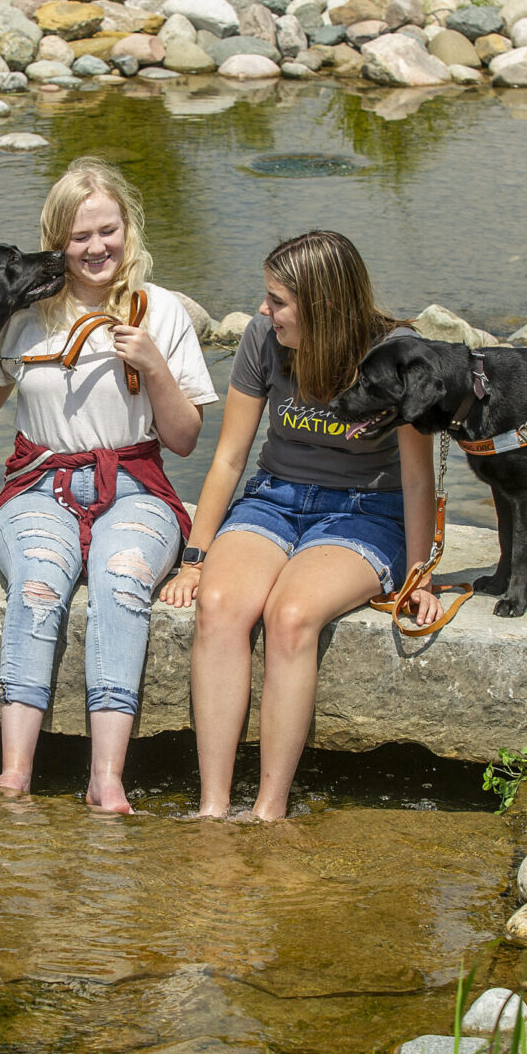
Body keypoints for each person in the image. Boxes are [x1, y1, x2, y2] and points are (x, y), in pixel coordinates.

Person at [0, 157, 217, 812]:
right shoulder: (22, 315)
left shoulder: (158, 310)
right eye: (79, 236)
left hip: (134, 485)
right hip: (38, 484)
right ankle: (15, 772)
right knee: (39, 581)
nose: (95, 247)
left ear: (127, 229)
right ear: (58, 241)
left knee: (121, 577)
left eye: (106, 230)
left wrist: (156, 368)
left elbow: (186, 439)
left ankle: (106, 776)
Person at [159, 231, 440, 821]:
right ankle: (212, 810)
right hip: (275, 500)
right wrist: (195, 554)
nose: (264, 311)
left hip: (366, 510)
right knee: (219, 604)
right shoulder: (264, 339)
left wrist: (420, 577)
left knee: (290, 616)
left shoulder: (397, 354)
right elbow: (231, 456)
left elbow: (417, 480)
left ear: (324, 304)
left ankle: (268, 812)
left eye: (277, 300)